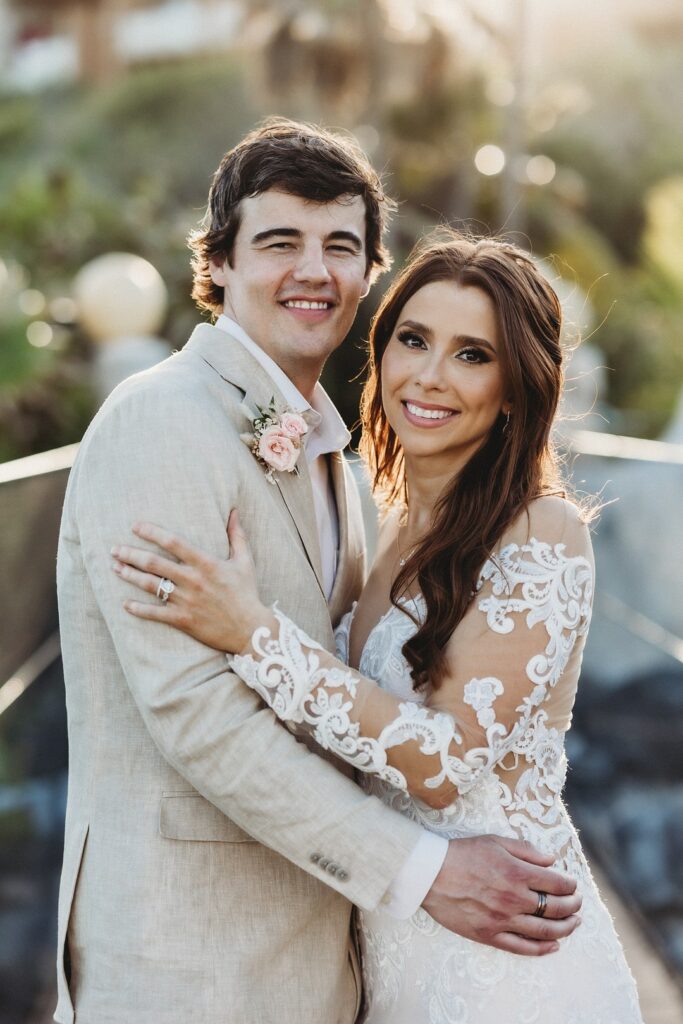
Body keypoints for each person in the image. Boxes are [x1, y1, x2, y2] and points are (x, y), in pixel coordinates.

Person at [56, 119, 581, 1024]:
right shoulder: (161, 422)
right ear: (217, 262)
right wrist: (419, 873)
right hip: (191, 960)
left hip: (341, 957)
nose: (312, 271)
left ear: (369, 274)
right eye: (278, 243)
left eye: (340, 245)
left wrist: (253, 631)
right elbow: (199, 715)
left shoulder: (335, 460)